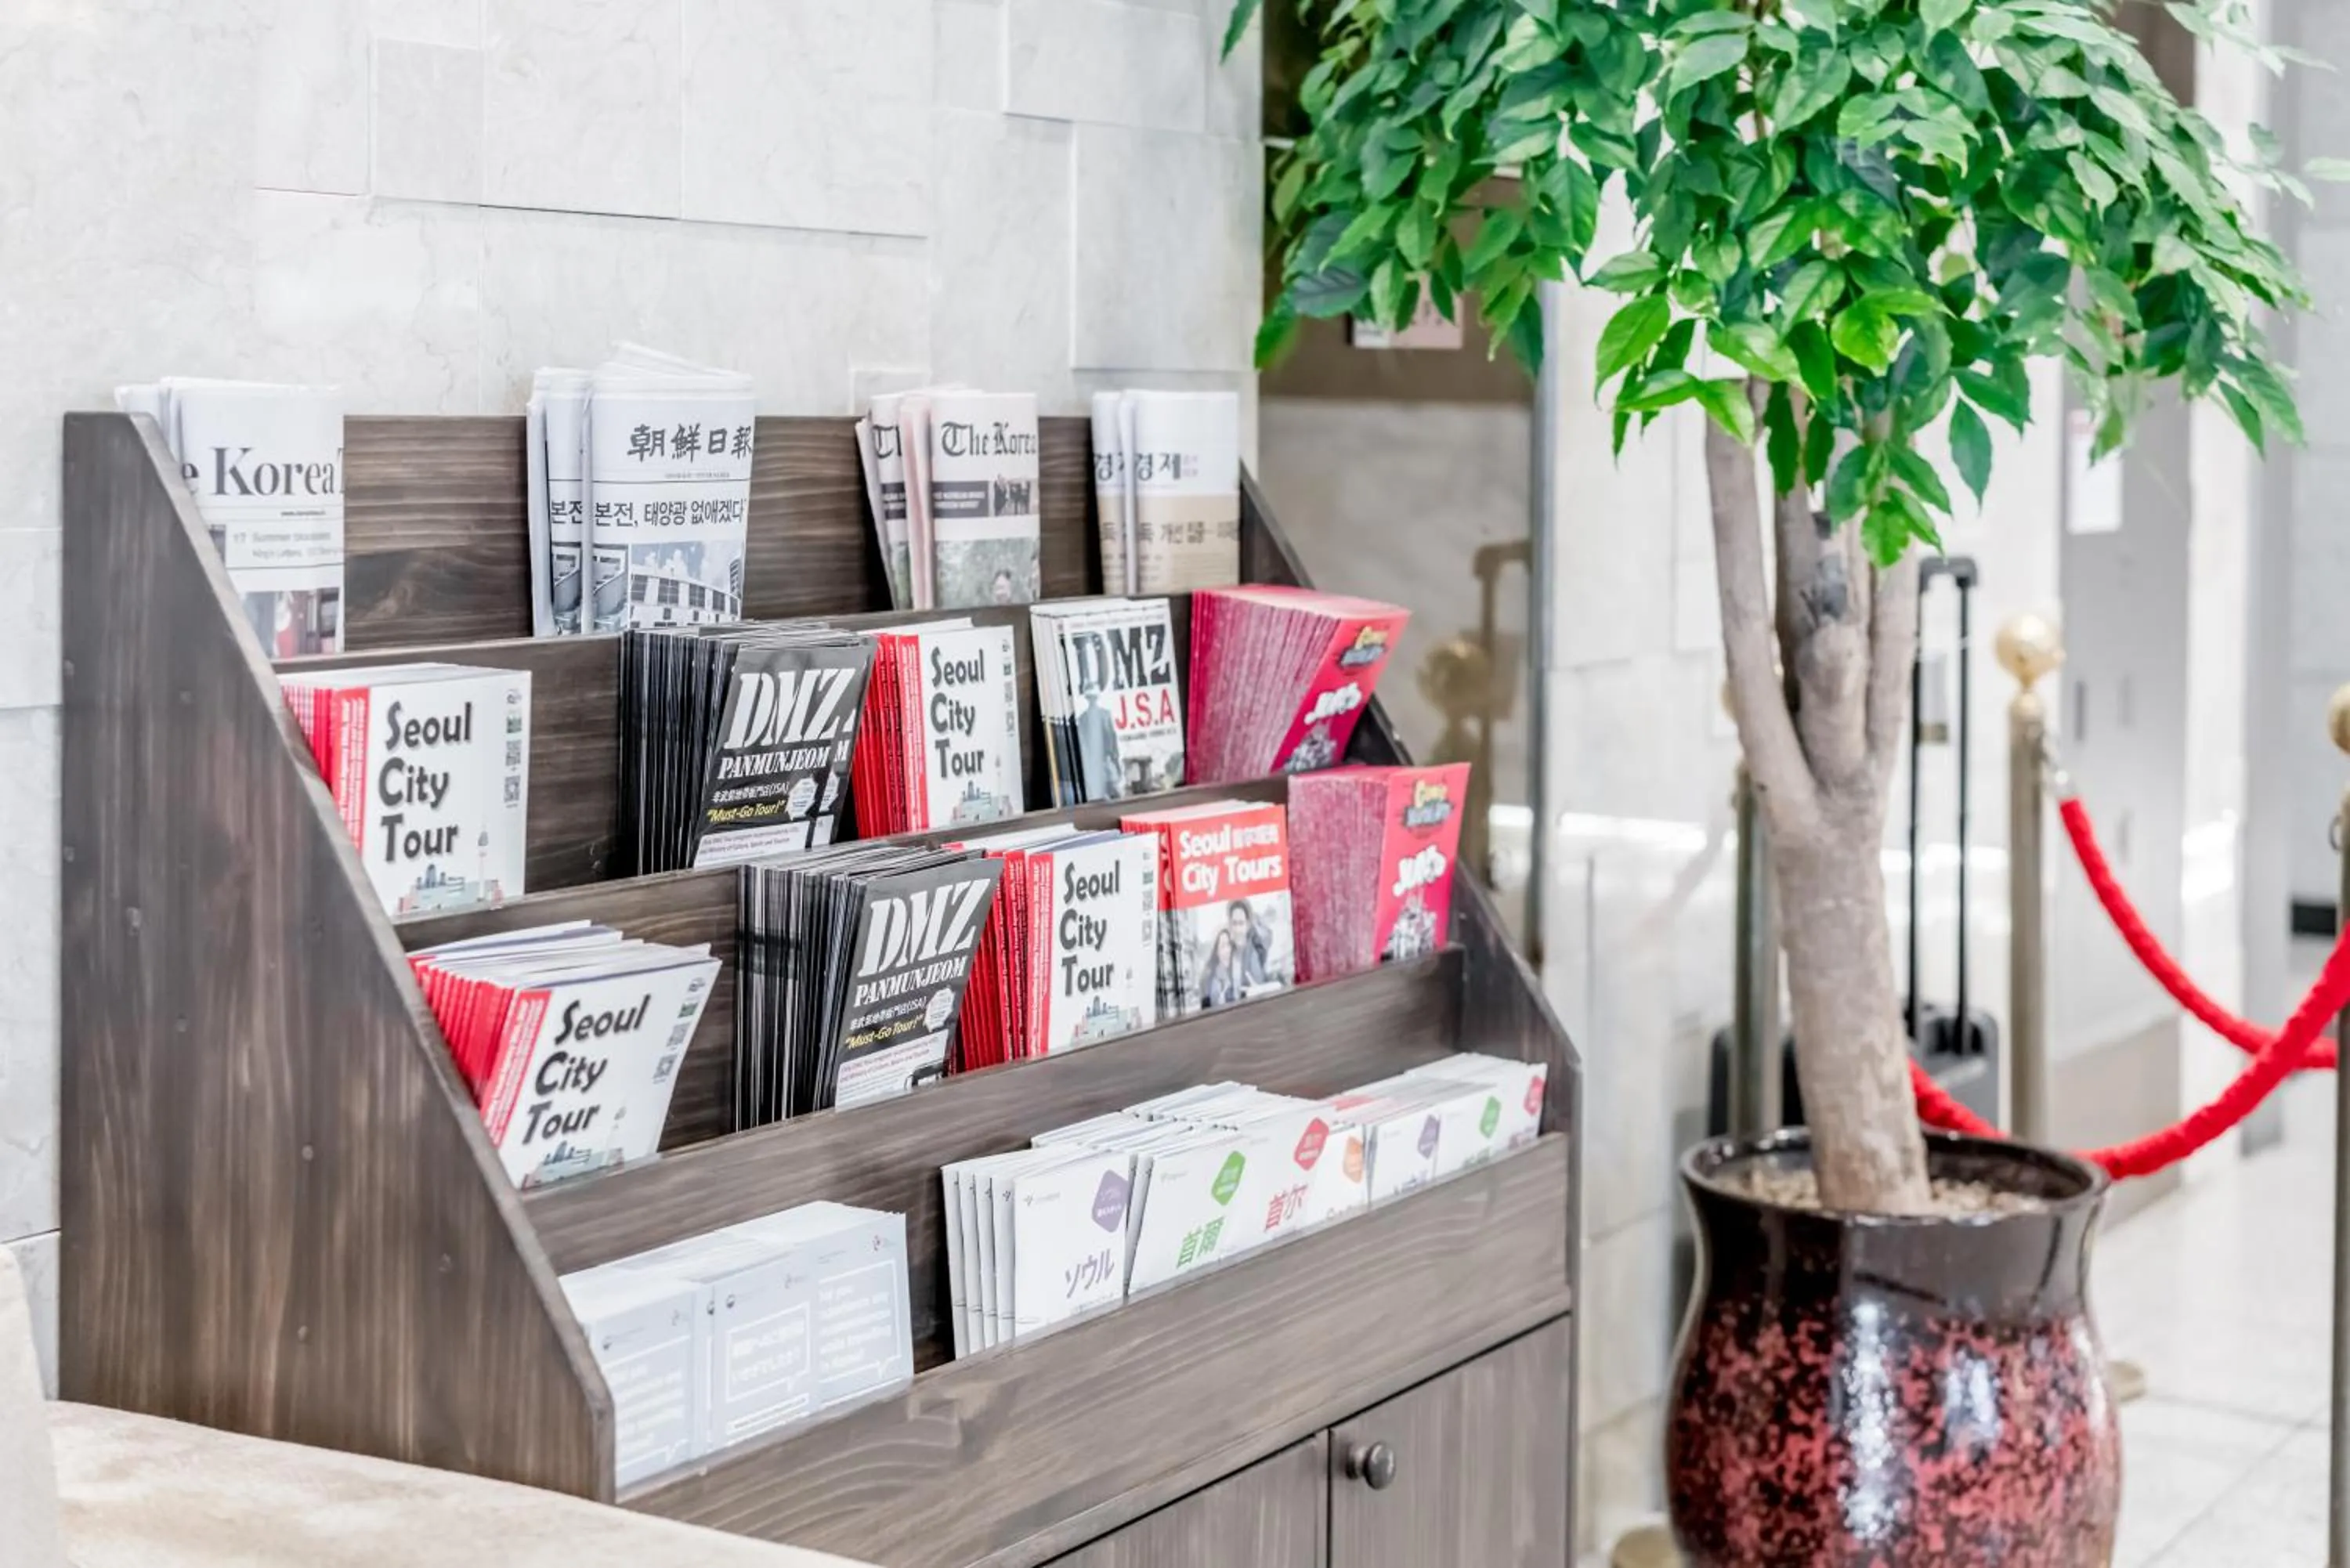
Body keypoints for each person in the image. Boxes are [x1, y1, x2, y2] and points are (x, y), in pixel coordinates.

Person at [1224, 899, 1275, 992]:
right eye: (1234, 923)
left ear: (1247, 925)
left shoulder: (1254, 953)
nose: (1237, 930)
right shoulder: (1228, 953)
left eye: (1241, 923)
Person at [1198, 927, 1241, 1009]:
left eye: (1229, 945)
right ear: (1216, 951)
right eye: (1223, 946)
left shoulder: (1235, 972)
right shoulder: (1209, 977)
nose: (1227, 950)